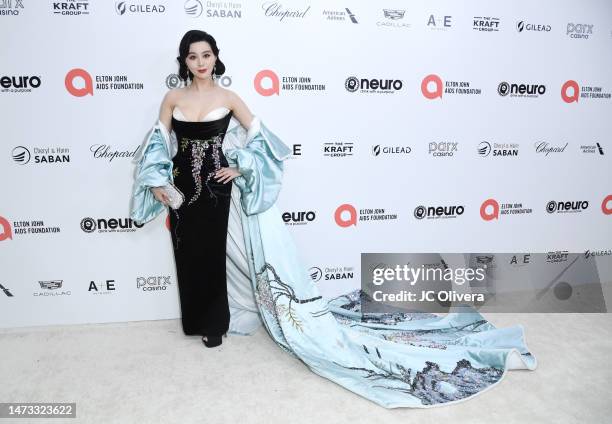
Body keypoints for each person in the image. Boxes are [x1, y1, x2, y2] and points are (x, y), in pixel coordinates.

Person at [130, 30, 537, 408]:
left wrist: (241, 168)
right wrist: (157, 183)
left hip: (220, 191)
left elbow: (267, 143)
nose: (200, 61)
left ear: (216, 58)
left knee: (217, 257)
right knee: (191, 258)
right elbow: (156, 146)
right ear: (183, 61)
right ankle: (197, 321)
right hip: (183, 194)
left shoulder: (231, 97)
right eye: (192, 56)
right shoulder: (173, 100)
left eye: (206, 54)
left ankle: (215, 324)